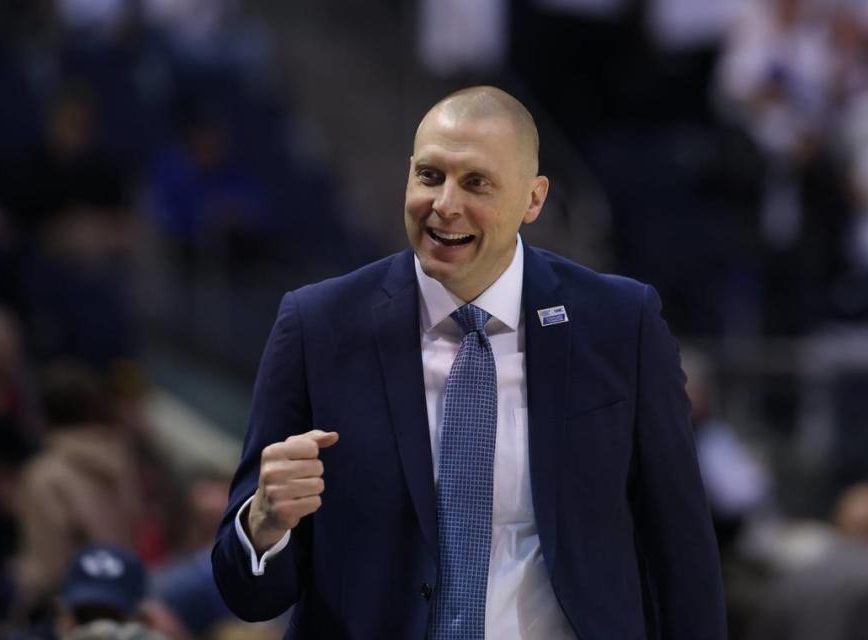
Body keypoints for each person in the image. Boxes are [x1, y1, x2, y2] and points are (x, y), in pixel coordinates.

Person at [211, 86, 726, 639]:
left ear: (534, 199)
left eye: (476, 182)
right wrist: (264, 526)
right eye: (430, 176)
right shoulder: (319, 325)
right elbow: (249, 593)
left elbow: (682, 554)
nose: (446, 204)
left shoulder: (620, 323)